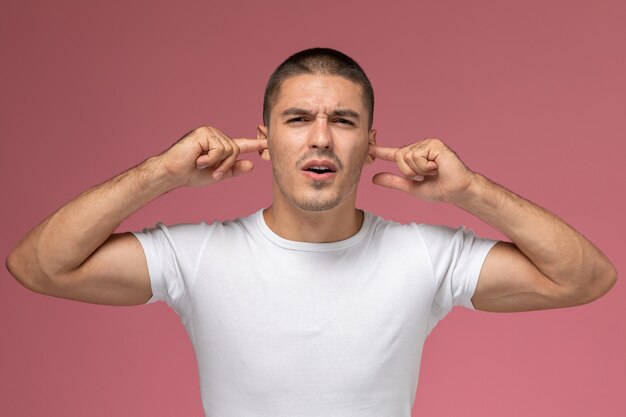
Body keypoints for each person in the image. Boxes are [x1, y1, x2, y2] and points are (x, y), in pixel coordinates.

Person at [6, 48, 617, 416]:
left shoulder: (425, 257)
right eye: (298, 119)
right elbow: (39, 266)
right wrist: (159, 175)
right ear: (266, 139)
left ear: (371, 143)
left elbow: (587, 278)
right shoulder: (196, 256)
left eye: (343, 120)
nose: (321, 137)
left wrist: (470, 190)